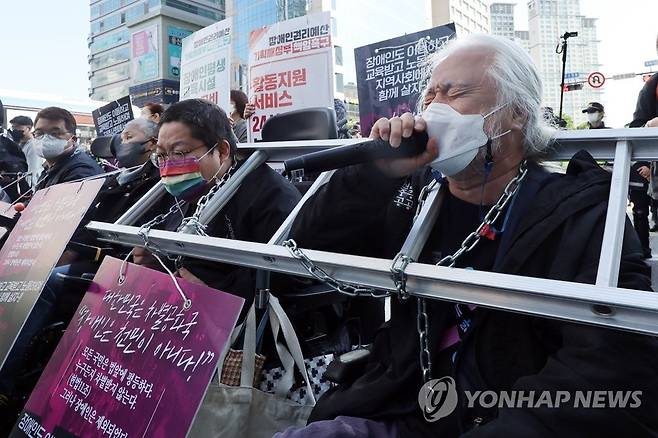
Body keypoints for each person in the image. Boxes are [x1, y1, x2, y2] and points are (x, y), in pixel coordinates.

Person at [282, 34, 658, 437]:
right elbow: (306, 252)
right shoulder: (412, 196)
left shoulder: (578, 212)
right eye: (429, 98)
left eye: (455, 93)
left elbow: (611, 367)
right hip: (399, 409)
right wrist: (372, 176)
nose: (434, 109)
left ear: (515, 113)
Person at [133, 98, 301, 308]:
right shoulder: (182, 193)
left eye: (179, 153)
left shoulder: (271, 195)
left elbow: (288, 277)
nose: (168, 167)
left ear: (221, 151)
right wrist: (156, 258)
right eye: (162, 156)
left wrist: (216, 294)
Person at [32, 107, 103, 192]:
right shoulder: (51, 166)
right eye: (39, 133)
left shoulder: (81, 171)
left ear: (73, 139)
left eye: (55, 133)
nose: (45, 139)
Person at [9, 115, 44, 187]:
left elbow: (32, 172)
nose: (14, 130)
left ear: (29, 128)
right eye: (13, 127)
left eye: (18, 127)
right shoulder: (18, 144)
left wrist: (28, 191)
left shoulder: (33, 146)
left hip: (27, 188)